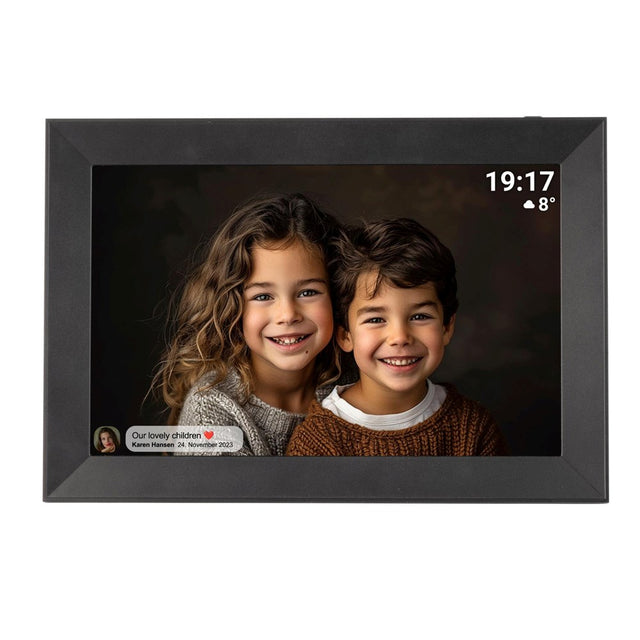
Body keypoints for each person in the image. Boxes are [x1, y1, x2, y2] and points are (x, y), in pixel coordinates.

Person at [286, 218, 508, 456]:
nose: (400, 337)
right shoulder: (317, 443)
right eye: (376, 320)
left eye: (420, 317)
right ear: (345, 335)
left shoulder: (474, 428)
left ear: (446, 327)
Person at [156, 193, 341, 455]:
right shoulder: (211, 411)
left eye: (308, 292)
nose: (288, 315)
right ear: (232, 308)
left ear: (337, 296)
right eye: (263, 296)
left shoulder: (359, 386)